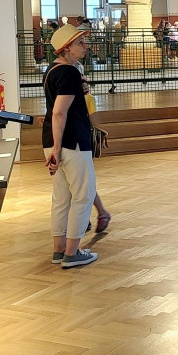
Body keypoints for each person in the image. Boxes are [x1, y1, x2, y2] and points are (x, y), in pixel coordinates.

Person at [43, 24, 100, 269]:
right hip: (71, 142)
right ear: (66, 48)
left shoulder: (52, 70)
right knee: (83, 196)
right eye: (80, 43)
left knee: (62, 197)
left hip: (54, 140)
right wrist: (58, 149)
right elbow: (59, 112)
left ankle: (59, 249)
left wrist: (54, 148)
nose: (85, 46)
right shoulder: (68, 72)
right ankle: (72, 252)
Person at [76, 62, 111, 233]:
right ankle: (90, 215)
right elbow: (95, 121)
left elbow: (94, 121)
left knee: (82, 182)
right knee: (81, 182)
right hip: (79, 142)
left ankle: (96, 214)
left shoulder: (83, 98)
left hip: (79, 143)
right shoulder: (86, 98)